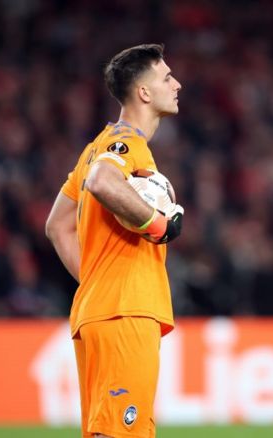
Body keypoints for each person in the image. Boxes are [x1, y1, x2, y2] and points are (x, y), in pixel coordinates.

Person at [45, 43, 183, 438]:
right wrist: (157, 224)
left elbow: (57, 225)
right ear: (144, 92)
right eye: (167, 77)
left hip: (99, 309)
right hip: (127, 310)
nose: (177, 84)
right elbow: (102, 181)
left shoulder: (94, 148)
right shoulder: (126, 145)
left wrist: (95, 279)